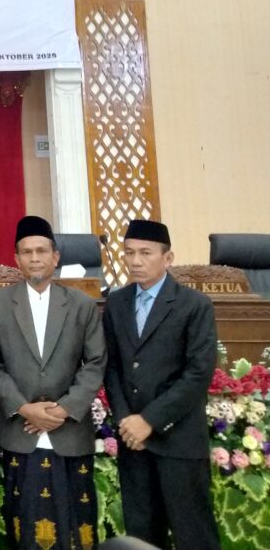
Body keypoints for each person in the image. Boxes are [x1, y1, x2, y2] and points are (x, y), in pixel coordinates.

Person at [0, 215, 107, 550]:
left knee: (76, 526)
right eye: (27, 252)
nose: (34, 258)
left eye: (41, 251)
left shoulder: (82, 304)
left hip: (70, 431)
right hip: (21, 431)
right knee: (24, 523)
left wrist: (64, 409)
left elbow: (95, 362)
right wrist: (24, 408)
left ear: (55, 257)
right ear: (16, 259)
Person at [103, 219, 221, 550]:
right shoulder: (116, 303)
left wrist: (150, 421)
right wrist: (127, 422)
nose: (135, 261)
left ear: (168, 258)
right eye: (129, 253)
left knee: (193, 534)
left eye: (145, 253)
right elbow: (111, 367)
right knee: (141, 536)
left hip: (178, 440)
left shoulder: (193, 304)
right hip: (133, 442)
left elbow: (198, 373)